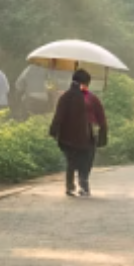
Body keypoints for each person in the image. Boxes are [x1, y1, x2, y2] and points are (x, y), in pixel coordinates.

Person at [48, 68, 107, 197]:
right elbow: (101, 117)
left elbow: (59, 116)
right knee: (85, 160)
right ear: (86, 83)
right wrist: (103, 132)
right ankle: (83, 184)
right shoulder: (91, 98)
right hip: (87, 135)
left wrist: (54, 130)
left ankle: (70, 186)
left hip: (67, 136)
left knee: (71, 161)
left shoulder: (65, 97)